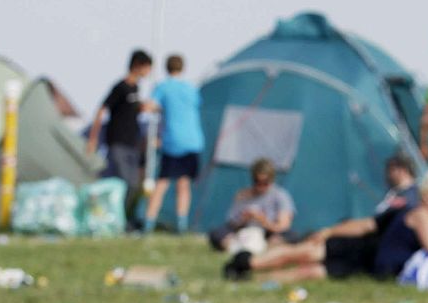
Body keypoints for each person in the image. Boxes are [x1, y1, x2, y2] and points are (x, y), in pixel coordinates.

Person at [223, 171, 428, 282]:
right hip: (361, 248)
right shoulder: (417, 213)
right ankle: (249, 266)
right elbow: (367, 225)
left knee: (309, 264)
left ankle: (254, 275)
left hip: (367, 258)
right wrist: (330, 231)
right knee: (305, 255)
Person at [86, 50, 152, 230]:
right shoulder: (120, 87)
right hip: (118, 142)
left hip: (132, 144)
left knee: (134, 185)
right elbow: (101, 110)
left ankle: (123, 220)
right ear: (138, 65)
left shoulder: (136, 89)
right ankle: (118, 221)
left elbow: (134, 111)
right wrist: (93, 138)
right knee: (125, 183)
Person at [141, 54, 204, 234]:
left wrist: (161, 108)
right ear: (183, 68)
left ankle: (148, 224)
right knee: (183, 184)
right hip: (193, 141)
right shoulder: (191, 89)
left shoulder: (163, 87)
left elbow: (149, 107)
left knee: (161, 184)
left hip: (172, 141)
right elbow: (195, 106)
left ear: (166, 68)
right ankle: (182, 225)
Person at [208, 158, 295, 251]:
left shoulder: (281, 196)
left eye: (265, 183)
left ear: (272, 180)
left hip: (268, 232)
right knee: (217, 233)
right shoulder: (243, 195)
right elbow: (231, 222)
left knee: (290, 236)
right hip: (243, 230)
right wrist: (244, 219)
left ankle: (266, 247)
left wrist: (263, 221)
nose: (260, 186)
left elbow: (283, 226)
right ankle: (236, 246)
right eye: (257, 182)